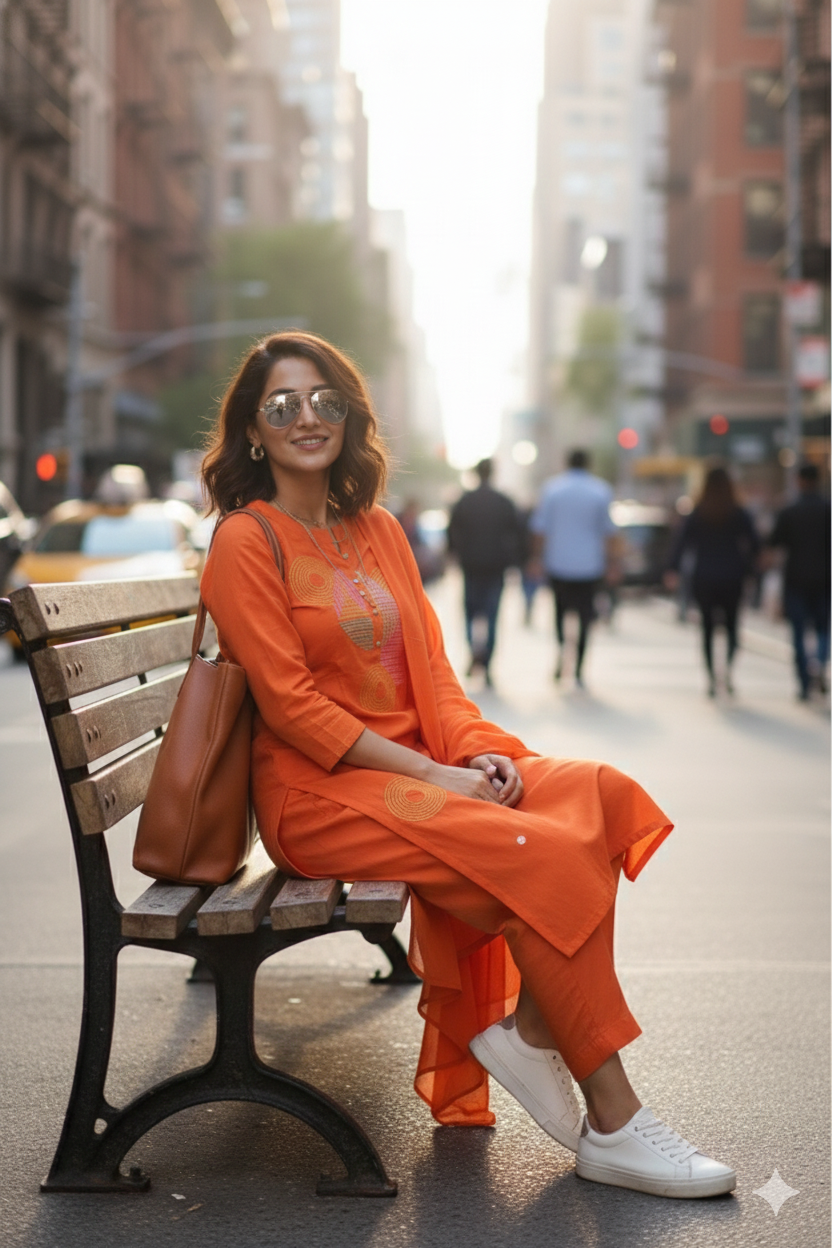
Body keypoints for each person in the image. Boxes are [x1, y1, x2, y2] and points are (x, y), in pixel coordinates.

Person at [198, 330, 735, 1199]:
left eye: (325, 400)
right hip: (321, 797)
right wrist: (431, 776)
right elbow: (294, 708)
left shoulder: (376, 531)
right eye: (282, 404)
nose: (307, 417)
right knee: (545, 858)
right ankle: (616, 1121)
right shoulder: (244, 544)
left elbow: (435, 678)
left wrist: (478, 752)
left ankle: (529, 1029)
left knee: (596, 795)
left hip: (421, 770)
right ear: (252, 432)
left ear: (350, 416)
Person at [666, 466, 760, 698]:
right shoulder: (738, 512)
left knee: (707, 629)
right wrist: (750, 569)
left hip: (704, 577)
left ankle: (710, 678)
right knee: (731, 628)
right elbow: (755, 544)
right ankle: (727, 672)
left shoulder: (698, 512)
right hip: (733, 576)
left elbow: (681, 543)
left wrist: (672, 569)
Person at [529, 449, 618, 687]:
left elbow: (540, 529)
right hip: (590, 566)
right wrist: (612, 563)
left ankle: (561, 654)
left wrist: (536, 559)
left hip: (559, 564)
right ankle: (578, 668)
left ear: (566, 463)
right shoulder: (600, 490)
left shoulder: (552, 489)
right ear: (588, 464)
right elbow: (609, 532)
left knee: (559, 614)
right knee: (585, 618)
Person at [447, 458, 520, 686]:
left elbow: (451, 533)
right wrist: (515, 561)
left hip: (471, 567)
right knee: (492, 616)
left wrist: (456, 554)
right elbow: (517, 534)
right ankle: (487, 663)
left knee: (470, 613)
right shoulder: (504, 502)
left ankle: (474, 651)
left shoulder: (465, 501)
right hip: (495, 568)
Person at [766, 463, 831, 700]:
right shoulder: (827, 509)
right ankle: (820, 664)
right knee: (824, 629)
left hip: (795, 580)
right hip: (825, 579)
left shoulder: (790, 511)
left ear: (799, 481)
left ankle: (805, 682)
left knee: (798, 633)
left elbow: (773, 545)